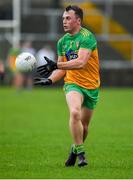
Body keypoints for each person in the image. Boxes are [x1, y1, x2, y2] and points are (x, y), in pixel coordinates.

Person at [34, 5, 100, 167]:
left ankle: (73, 150)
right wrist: (50, 80)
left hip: (91, 85)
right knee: (75, 112)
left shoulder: (87, 37)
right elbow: (63, 69)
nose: (64, 21)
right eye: (63, 18)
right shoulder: (62, 42)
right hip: (72, 84)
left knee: (84, 127)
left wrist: (56, 66)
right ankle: (81, 153)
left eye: (68, 18)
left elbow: (80, 63)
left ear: (78, 20)